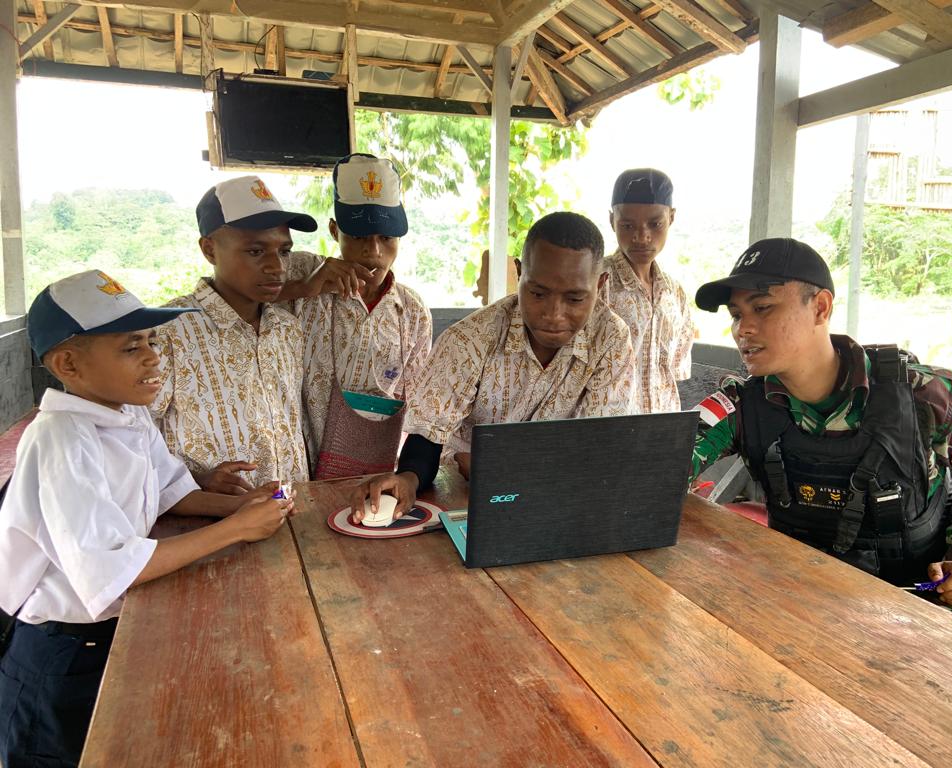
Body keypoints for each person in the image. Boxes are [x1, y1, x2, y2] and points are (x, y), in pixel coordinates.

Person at [0, 270, 295, 767]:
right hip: (58, 653)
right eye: (131, 347)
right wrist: (235, 530)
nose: (155, 357)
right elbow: (113, 569)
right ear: (68, 363)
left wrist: (242, 507)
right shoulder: (61, 438)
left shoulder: (125, 413)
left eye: (152, 341)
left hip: (106, 633)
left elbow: (168, 491)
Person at [691, 238, 952, 618]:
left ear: (820, 307)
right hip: (797, 601)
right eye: (735, 314)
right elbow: (663, 465)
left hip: (918, 603)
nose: (743, 329)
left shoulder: (928, 396)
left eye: (762, 308)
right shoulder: (741, 405)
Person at [353, 211, 638, 520]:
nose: (554, 315)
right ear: (520, 272)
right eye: (538, 293)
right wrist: (408, 477)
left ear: (601, 283)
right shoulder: (470, 339)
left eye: (575, 299)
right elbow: (428, 435)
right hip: (466, 496)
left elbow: (597, 446)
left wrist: (507, 470)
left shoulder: (611, 339)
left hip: (561, 499)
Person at [150, 176, 317, 493]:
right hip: (211, 520)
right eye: (255, 251)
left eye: (284, 251)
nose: (276, 267)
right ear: (209, 249)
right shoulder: (166, 334)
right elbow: (131, 440)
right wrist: (196, 481)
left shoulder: (287, 329)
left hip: (291, 511)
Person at [282, 154, 432, 470]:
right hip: (301, 465)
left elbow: (416, 401)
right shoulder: (301, 271)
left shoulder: (413, 312)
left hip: (375, 468)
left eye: (386, 238)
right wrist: (304, 288)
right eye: (359, 237)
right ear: (335, 231)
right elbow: (238, 295)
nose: (374, 251)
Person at [603, 168, 695, 413]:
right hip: (608, 435)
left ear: (671, 217)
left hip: (662, 434)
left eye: (655, 224)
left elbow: (674, 374)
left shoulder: (675, 296)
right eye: (627, 225)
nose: (642, 237)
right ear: (612, 220)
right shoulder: (593, 286)